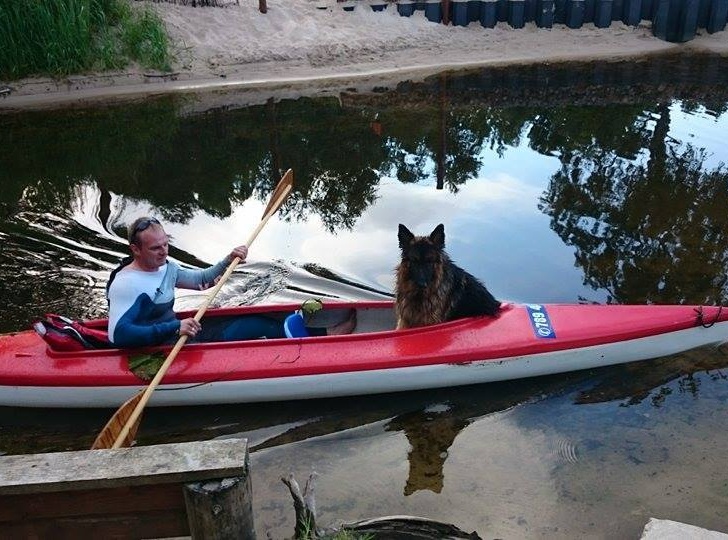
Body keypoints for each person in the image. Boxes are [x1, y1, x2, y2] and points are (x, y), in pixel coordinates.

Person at [107, 216, 356, 348]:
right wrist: (172, 328)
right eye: (155, 248)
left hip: (180, 334)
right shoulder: (127, 284)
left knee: (261, 318)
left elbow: (203, 281)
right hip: (162, 347)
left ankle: (312, 335)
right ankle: (324, 337)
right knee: (257, 326)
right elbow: (119, 336)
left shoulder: (166, 267)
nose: (164, 251)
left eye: (165, 244)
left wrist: (229, 259)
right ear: (135, 250)